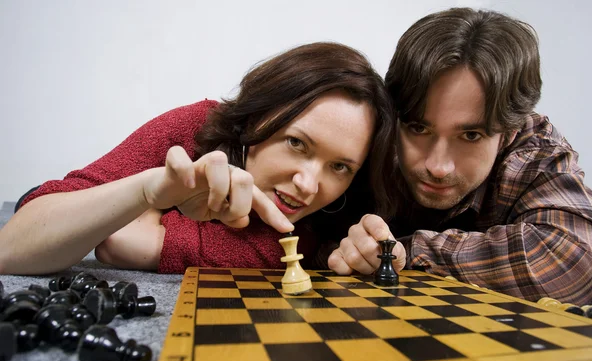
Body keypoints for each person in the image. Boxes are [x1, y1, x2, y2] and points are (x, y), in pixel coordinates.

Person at [0, 42, 397, 276]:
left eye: (340, 167)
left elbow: (122, 243)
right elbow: (12, 247)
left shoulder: (333, 224)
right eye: (296, 143)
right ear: (257, 118)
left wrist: (157, 233)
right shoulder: (196, 126)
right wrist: (147, 191)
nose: (309, 185)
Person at [328, 8, 592, 306]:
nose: (438, 167)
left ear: (509, 132)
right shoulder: (371, 131)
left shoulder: (533, 149)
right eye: (419, 128)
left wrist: (406, 249)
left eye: (471, 135)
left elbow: (577, 263)